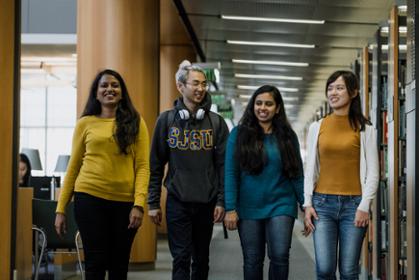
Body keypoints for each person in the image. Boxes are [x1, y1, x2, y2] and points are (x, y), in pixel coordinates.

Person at [54, 69, 150, 280]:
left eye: (115, 85)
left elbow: (143, 167)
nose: (109, 89)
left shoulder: (136, 123)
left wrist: (139, 204)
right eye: (104, 85)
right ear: (96, 93)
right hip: (89, 199)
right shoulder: (85, 124)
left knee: (119, 265)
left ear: (122, 92)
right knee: (95, 264)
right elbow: (73, 168)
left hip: (125, 204)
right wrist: (61, 209)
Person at [148, 60, 229, 280]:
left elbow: (224, 167)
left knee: (201, 260)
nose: (200, 88)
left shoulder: (217, 123)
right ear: (181, 86)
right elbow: (155, 164)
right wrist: (153, 203)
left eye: (204, 84)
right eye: (195, 83)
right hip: (177, 201)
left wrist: (222, 201)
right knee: (181, 258)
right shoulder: (166, 121)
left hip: (207, 202)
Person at [303, 70, 379, 280]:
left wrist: (365, 206)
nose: (333, 92)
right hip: (322, 204)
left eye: (339, 87)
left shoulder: (366, 129)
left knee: (348, 271)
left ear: (353, 92)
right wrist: (307, 203)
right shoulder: (317, 127)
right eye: (330, 88)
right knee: (325, 269)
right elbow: (310, 168)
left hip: (354, 206)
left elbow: (373, 171)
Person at [224, 85, 304, 280]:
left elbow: (296, 174)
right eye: (258, 103)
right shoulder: (238, 134)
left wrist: (306, 204)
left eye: (269, 104)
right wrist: (230, 208)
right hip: (248, 205)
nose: (263, 108)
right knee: (252, 259)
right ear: (252, 106)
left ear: (277, 108)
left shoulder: (287, 136)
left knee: (280, 256)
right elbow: (230, 173)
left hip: (281, 204)